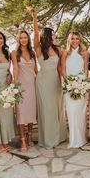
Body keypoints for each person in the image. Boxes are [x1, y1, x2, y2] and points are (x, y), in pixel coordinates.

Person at [32, 10, 67, 148]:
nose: (54, 36)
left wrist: (64, 81)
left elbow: (60, 67)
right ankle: (48, 139)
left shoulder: (58, 48)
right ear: (46, 36)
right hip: (43, 81)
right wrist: (34, 16)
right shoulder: (39, 48)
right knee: (47, 109)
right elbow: (35, 34)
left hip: (56, 81)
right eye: (52, 34)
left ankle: (60, 136)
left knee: (57, 108)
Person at [11, 30, 38, 152]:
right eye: (21, 38)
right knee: (21, 113)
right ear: (18, 39)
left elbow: (36, 69)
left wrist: (40, 83)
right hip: (21, 86)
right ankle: (22, 140)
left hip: (33, 85)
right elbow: (15, 69)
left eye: (25, 37)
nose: (23, 39)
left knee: (31, 113)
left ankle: (29, 136)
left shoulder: (32, 52)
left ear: (28, 39)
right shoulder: (14, 53)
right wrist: (15, 85)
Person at [61, 32, 89, 148]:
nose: (75, 41)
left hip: (81, 86)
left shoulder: (85, 53)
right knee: (72, 113)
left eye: (77, 39)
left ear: (80, 40)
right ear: (69, 40)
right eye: (72, 39)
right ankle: (74, 139)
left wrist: (82, 84)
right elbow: (62, 70)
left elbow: (86, 70)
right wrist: (70, 83)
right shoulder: (65, 53)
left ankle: (82, 138)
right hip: (69, 87)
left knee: (81, 113)